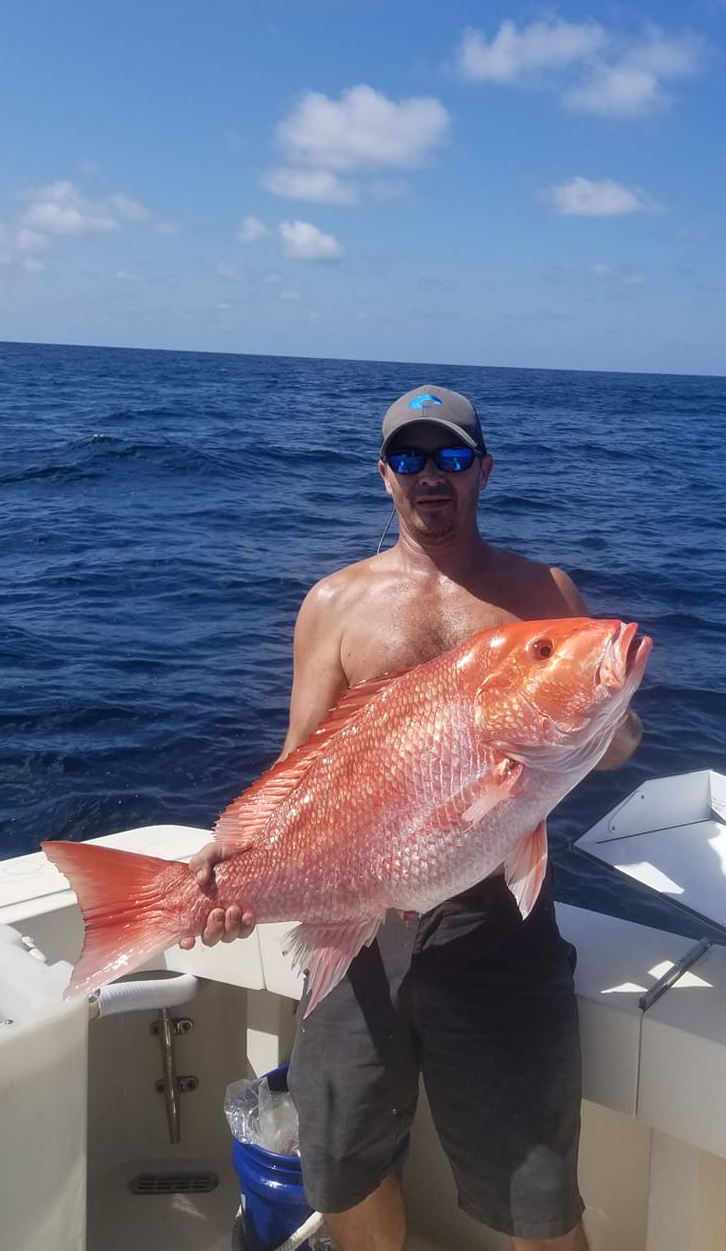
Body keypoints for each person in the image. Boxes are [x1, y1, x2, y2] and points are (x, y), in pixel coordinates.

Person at [188, 384, 642, 1251]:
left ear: (483, 471)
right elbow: (300, 758)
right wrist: (232, 854)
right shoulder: (334, 603)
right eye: (409, 457)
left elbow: (613, 748)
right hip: (358, 917)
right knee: (341, 1157)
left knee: (537, 1188)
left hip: (499, 922)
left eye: (452, 457)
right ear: (384, 475)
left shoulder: (542, 590)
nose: (430, 475)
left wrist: (604, 715)